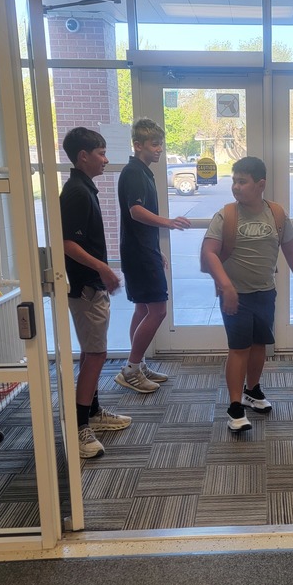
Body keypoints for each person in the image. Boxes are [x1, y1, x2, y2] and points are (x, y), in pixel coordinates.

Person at [200, 156, 293, 432]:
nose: (236, 187)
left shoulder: (276, 213)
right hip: (235, 296)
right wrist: (226, 286)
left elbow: (291, 252)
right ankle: (235, 406)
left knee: (260, 345)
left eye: (242, 181)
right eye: (234, 181)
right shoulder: (226, 215)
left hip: (265, 292)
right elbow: (208, 254)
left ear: (260, 184)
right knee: (239, 349)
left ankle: (253, 391)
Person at [60, 126, 131, 459]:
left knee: (93, 351)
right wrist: (103, 269)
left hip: (91, 285)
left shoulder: (83, 188)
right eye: (101, 153)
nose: (106, 159)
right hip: (85, 287)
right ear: (83, 156)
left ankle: (93, 412)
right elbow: (67, 243)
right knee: (95, 355)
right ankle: (80, 427)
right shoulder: (75, 191)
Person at [115, 117, 191, 393]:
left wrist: (157, 251)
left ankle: (138, 363)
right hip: (138, 254)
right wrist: (168, 222)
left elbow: (137, 218)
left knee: (143, 308)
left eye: (161, 144)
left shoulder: (143, 171)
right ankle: (132, 369)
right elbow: (136, 212)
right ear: (138, 145)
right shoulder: (134, 172)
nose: (160, 149)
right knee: (158, 311)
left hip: (143, 251)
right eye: (154, 144)